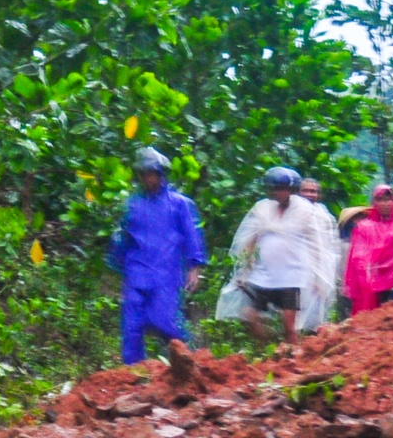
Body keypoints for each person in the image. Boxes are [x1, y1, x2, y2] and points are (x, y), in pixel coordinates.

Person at [106, 148, 206, 366]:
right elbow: (121, 237)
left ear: (161, 175)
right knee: (132, 325)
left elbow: (192, 235)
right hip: (136, 270)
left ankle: (189, 363)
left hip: (166, 272)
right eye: (144, 174)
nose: (148, 178)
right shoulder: (132, 204)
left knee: (166, 321)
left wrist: (194, 267)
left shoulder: (179, 203)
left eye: (152, 173)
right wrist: (116, 263)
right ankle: (134, 371)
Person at [220, 167, 334, 346]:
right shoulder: (263, 209)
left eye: (282, 188)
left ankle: (294, 361)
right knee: (249, 317)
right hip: (263, 274)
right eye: (275, 188)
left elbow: (316, 244)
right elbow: (251, 240)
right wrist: (244, 270)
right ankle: (271, 347)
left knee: (289, 326)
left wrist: (317, 276)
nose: (278, 192)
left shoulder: (304, 211)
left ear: (292, 190)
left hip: (292, 276)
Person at [344, 184, 393, 311]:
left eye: (388, 199)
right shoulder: (363, 228)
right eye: (380, 199)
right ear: (373, 202)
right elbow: (358, 257)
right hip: (372, 283)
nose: (384, 203)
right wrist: (367, 274)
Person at [296, 178, 342, 321]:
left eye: (313, 191)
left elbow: (331, 242)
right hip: (296, 266)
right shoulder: (291, 211)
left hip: (320, 267)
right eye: (305, 190)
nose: (309, 194)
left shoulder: (324, 214)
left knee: (316, 307)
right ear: (298, 192)